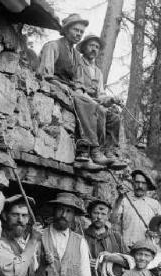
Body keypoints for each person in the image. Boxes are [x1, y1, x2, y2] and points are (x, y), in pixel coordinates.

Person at [37, 14, 111, 168]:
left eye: (81, 32)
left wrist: (80, 91)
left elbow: (77, 81)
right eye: (76, 30)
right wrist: (62, 86)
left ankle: (93, 152)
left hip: (69, 88)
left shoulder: (76, 55)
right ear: (66, 30)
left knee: (96, 106)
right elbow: (45, 74)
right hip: (53, 84)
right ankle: (87, 152)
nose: (79, 34)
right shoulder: (53, 46)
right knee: (85, 103)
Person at [76, 34, 125, 169]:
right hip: (82, 96)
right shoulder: (77, 63)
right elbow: (77, 86)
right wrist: (96, 101)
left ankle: (109, 152)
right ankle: (95, 151)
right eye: (91, 45)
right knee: (99, 110)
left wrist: (111, 99)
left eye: (97, 47)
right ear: (84, 48)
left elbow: (101, 93)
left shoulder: (98, 71)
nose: (94, 49)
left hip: (95, 100)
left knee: (114, 116)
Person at [84, 197, 132, 276]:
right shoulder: (82, 236)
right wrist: (86, 263)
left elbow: (129, 262)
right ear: (90, 214)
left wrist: (110, 258)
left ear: (108, 216)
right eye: (96, 213)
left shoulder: (116, 237)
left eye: (103, 214)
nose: (99, 217)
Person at [111, 169, 161, 252]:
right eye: (137, 182)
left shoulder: (155, 204)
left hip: (147, 249)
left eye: (143, 183)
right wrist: (120, 197)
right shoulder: (124, 200)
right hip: (128, 248)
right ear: (133, 183)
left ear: (148, 185)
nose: (140, 186)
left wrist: (154, 233)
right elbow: (113, 220)